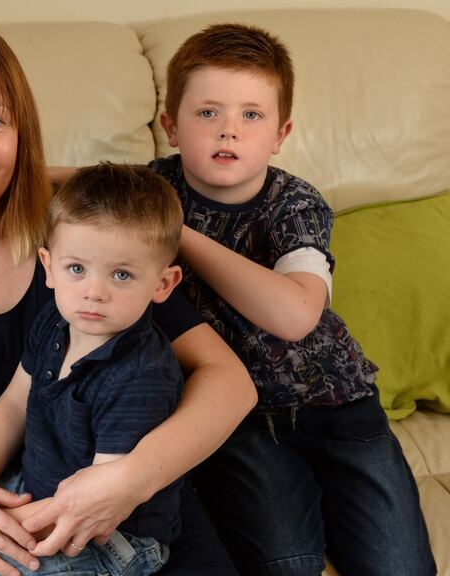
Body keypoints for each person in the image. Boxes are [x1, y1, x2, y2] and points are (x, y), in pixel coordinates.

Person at [0, 21, 257, 576]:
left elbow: (229, 384)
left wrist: (130, 479)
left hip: (125, 516)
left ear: (22, 131)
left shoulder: (85, 234)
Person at [152, 23, 435, 576]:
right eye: (207, 113)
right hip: (242, 420)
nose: (228, 131)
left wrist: (177, 232)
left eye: (250, 115)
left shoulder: (296, 203)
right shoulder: (152, 190)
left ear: (280, 134)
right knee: (286, 563)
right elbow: (75, 186)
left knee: (400, 565)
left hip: (339, 404)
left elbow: (295, 315)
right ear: (171, 127)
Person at [0, 163, 186, 576]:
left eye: (122, 274)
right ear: (48, 267)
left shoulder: (141, 375)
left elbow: (95, 503)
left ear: (163, 284)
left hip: (109, 538)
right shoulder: (56, 320)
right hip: (39, 492)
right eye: (77, 269)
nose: (93, 292)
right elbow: (14, 403)